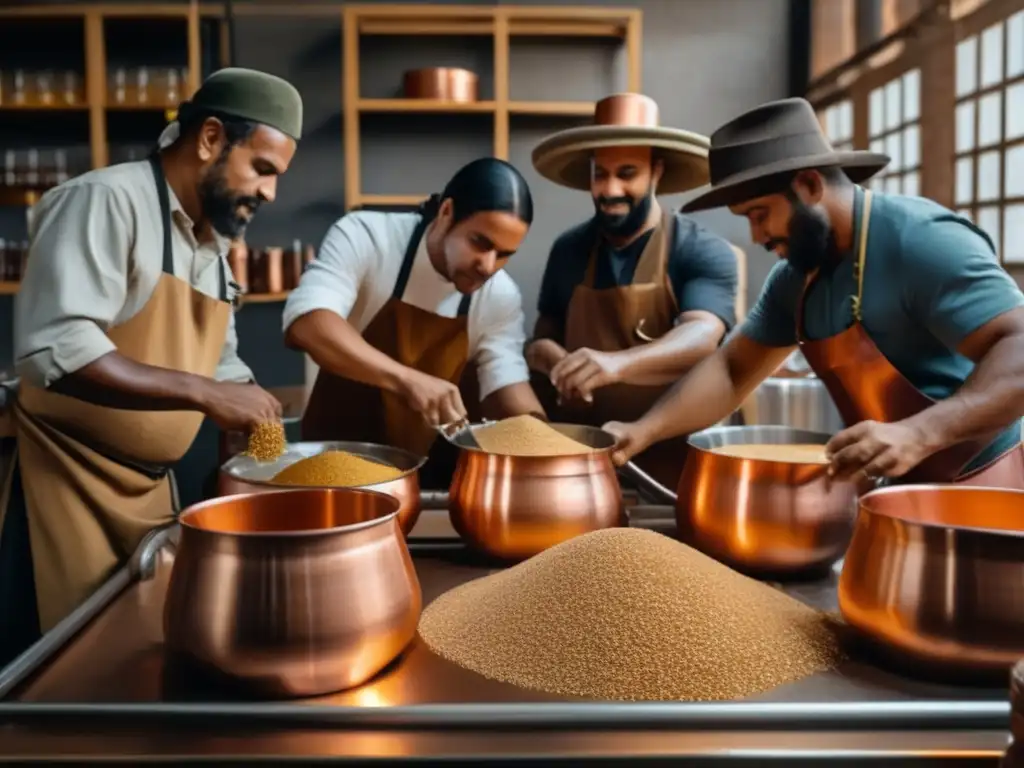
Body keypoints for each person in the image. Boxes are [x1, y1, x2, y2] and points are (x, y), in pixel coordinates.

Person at [0, 67, 303, 665]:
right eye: (262, 169)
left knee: (128, 664)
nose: (270, 193)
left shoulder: (212, 249)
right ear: (211, 139)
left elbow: (221, 361)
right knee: (54, 679)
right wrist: (202, 393)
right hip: (59, 484)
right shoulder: (105, 202)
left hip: (147, 496)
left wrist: (252, 421)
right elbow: (55, 346)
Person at [606, 97, 1024, 488]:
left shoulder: (919, 240)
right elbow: (732, 370)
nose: (756, 236)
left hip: (988, 479)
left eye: (760, 214)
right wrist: (642, 431)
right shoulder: (797, 279)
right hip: (901, 486)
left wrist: (921, 432)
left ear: (808, 186)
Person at [283, 157, 545, 488]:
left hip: (423, 479)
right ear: (447, 212)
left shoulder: (499, 294)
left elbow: (506, 382)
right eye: (480, 242)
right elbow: (308, 324)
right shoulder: (367, 237)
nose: (488, 266)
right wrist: (409, 381)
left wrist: (544, 437)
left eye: (505, 253)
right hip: (336, 470)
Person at [526, 93, 740, 487]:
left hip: (674, 459)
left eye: (627, 173)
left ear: (656, 172)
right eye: (599, 173)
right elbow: (540, 339)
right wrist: (555, 361)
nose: (610, 189)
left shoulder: (698, 248)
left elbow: (704, 335)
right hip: (583, 456)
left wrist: (617, 364)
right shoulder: (569, 249)